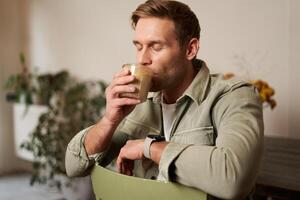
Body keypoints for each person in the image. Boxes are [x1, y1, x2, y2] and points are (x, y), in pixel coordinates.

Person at [65, 0, 264, 199]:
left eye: (156, 47)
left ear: (190, 49)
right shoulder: (139, 103)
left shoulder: (233, 96)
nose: (142, 59)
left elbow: (234, 179)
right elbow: (73, 165)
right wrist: (109, 120)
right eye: (139, 46)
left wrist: (149, 148)